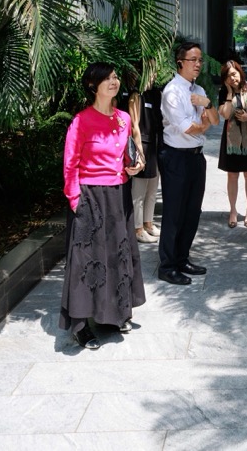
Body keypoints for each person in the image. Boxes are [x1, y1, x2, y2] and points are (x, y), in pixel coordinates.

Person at [59, 63, 147, 350]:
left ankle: (113, 315)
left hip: (118, 193)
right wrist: (75, 200)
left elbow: (127, 155)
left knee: (115, 254)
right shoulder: (81, 121)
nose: (114, 82)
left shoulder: (122, 118)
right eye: (108, 78)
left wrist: (134, 167)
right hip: (89, 196)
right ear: (93, 85)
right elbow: (70, 163)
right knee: (87, 261)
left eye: (115, 77)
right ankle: (81, 326)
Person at [158, 42, 218, 285]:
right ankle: (167, 265)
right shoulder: (172, 92)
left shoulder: (199, 90)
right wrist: (203, 124)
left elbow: (214, 118)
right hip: (176, 157)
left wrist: (207, 105)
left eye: (200, 60)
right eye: (193, 60)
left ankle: (182, 258)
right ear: (180, 62)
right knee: (174, 212)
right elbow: (189, 128)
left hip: (196, 156)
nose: (198, 64)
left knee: (193, 211)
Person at [217, 60, 247, 228]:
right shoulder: (223, 93)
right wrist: (228, 93)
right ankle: (233, 210)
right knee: (232, 175)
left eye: (234, 73)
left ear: (240, 72)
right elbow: (225, 115)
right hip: (231, 141)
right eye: (228, 76)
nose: (232, 78)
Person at [130, 75, 163, 243]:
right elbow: (134, 124)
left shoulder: (156, 94)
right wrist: (139, 150)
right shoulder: (136, 95)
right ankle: (137, 228)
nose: (153, 75)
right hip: (142, 144)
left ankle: (148, 223)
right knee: (139, 191)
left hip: (155, 144)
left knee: (152, 188)